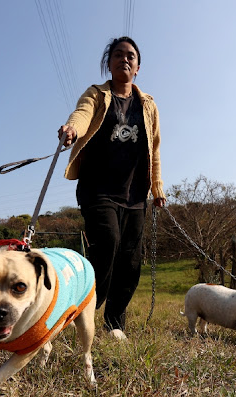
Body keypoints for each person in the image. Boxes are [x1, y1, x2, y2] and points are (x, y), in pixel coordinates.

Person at [58, 36, 166, 340]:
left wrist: (156, 188)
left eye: (130, 56)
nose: (125, 60)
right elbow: (82, 113)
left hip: (135, 194)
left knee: (131, 260)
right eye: (118, 55)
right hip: (97, 189)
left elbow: (154, 148)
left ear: (138, 67)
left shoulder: (148, 106)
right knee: (107, 244)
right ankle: (85, 314)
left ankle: (115, 321)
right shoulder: (97, 94)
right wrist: (72, 129)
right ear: (110, 63)